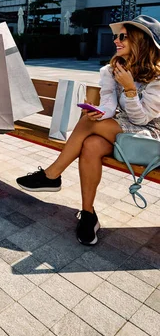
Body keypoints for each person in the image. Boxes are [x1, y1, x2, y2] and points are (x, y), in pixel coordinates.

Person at [16, 15, 160, 246]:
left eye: (123, 36)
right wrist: (99, 113)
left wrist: (131, 89)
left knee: (88, 125)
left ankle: (52, 175)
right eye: (116, 36)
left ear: (141, 41)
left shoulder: (157, 77)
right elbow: (109, 107)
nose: (116, 40)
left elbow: (142, 118)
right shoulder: (112, 70)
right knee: (90, 143)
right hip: (122, 133)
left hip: (148, 140)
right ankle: (88, 214)